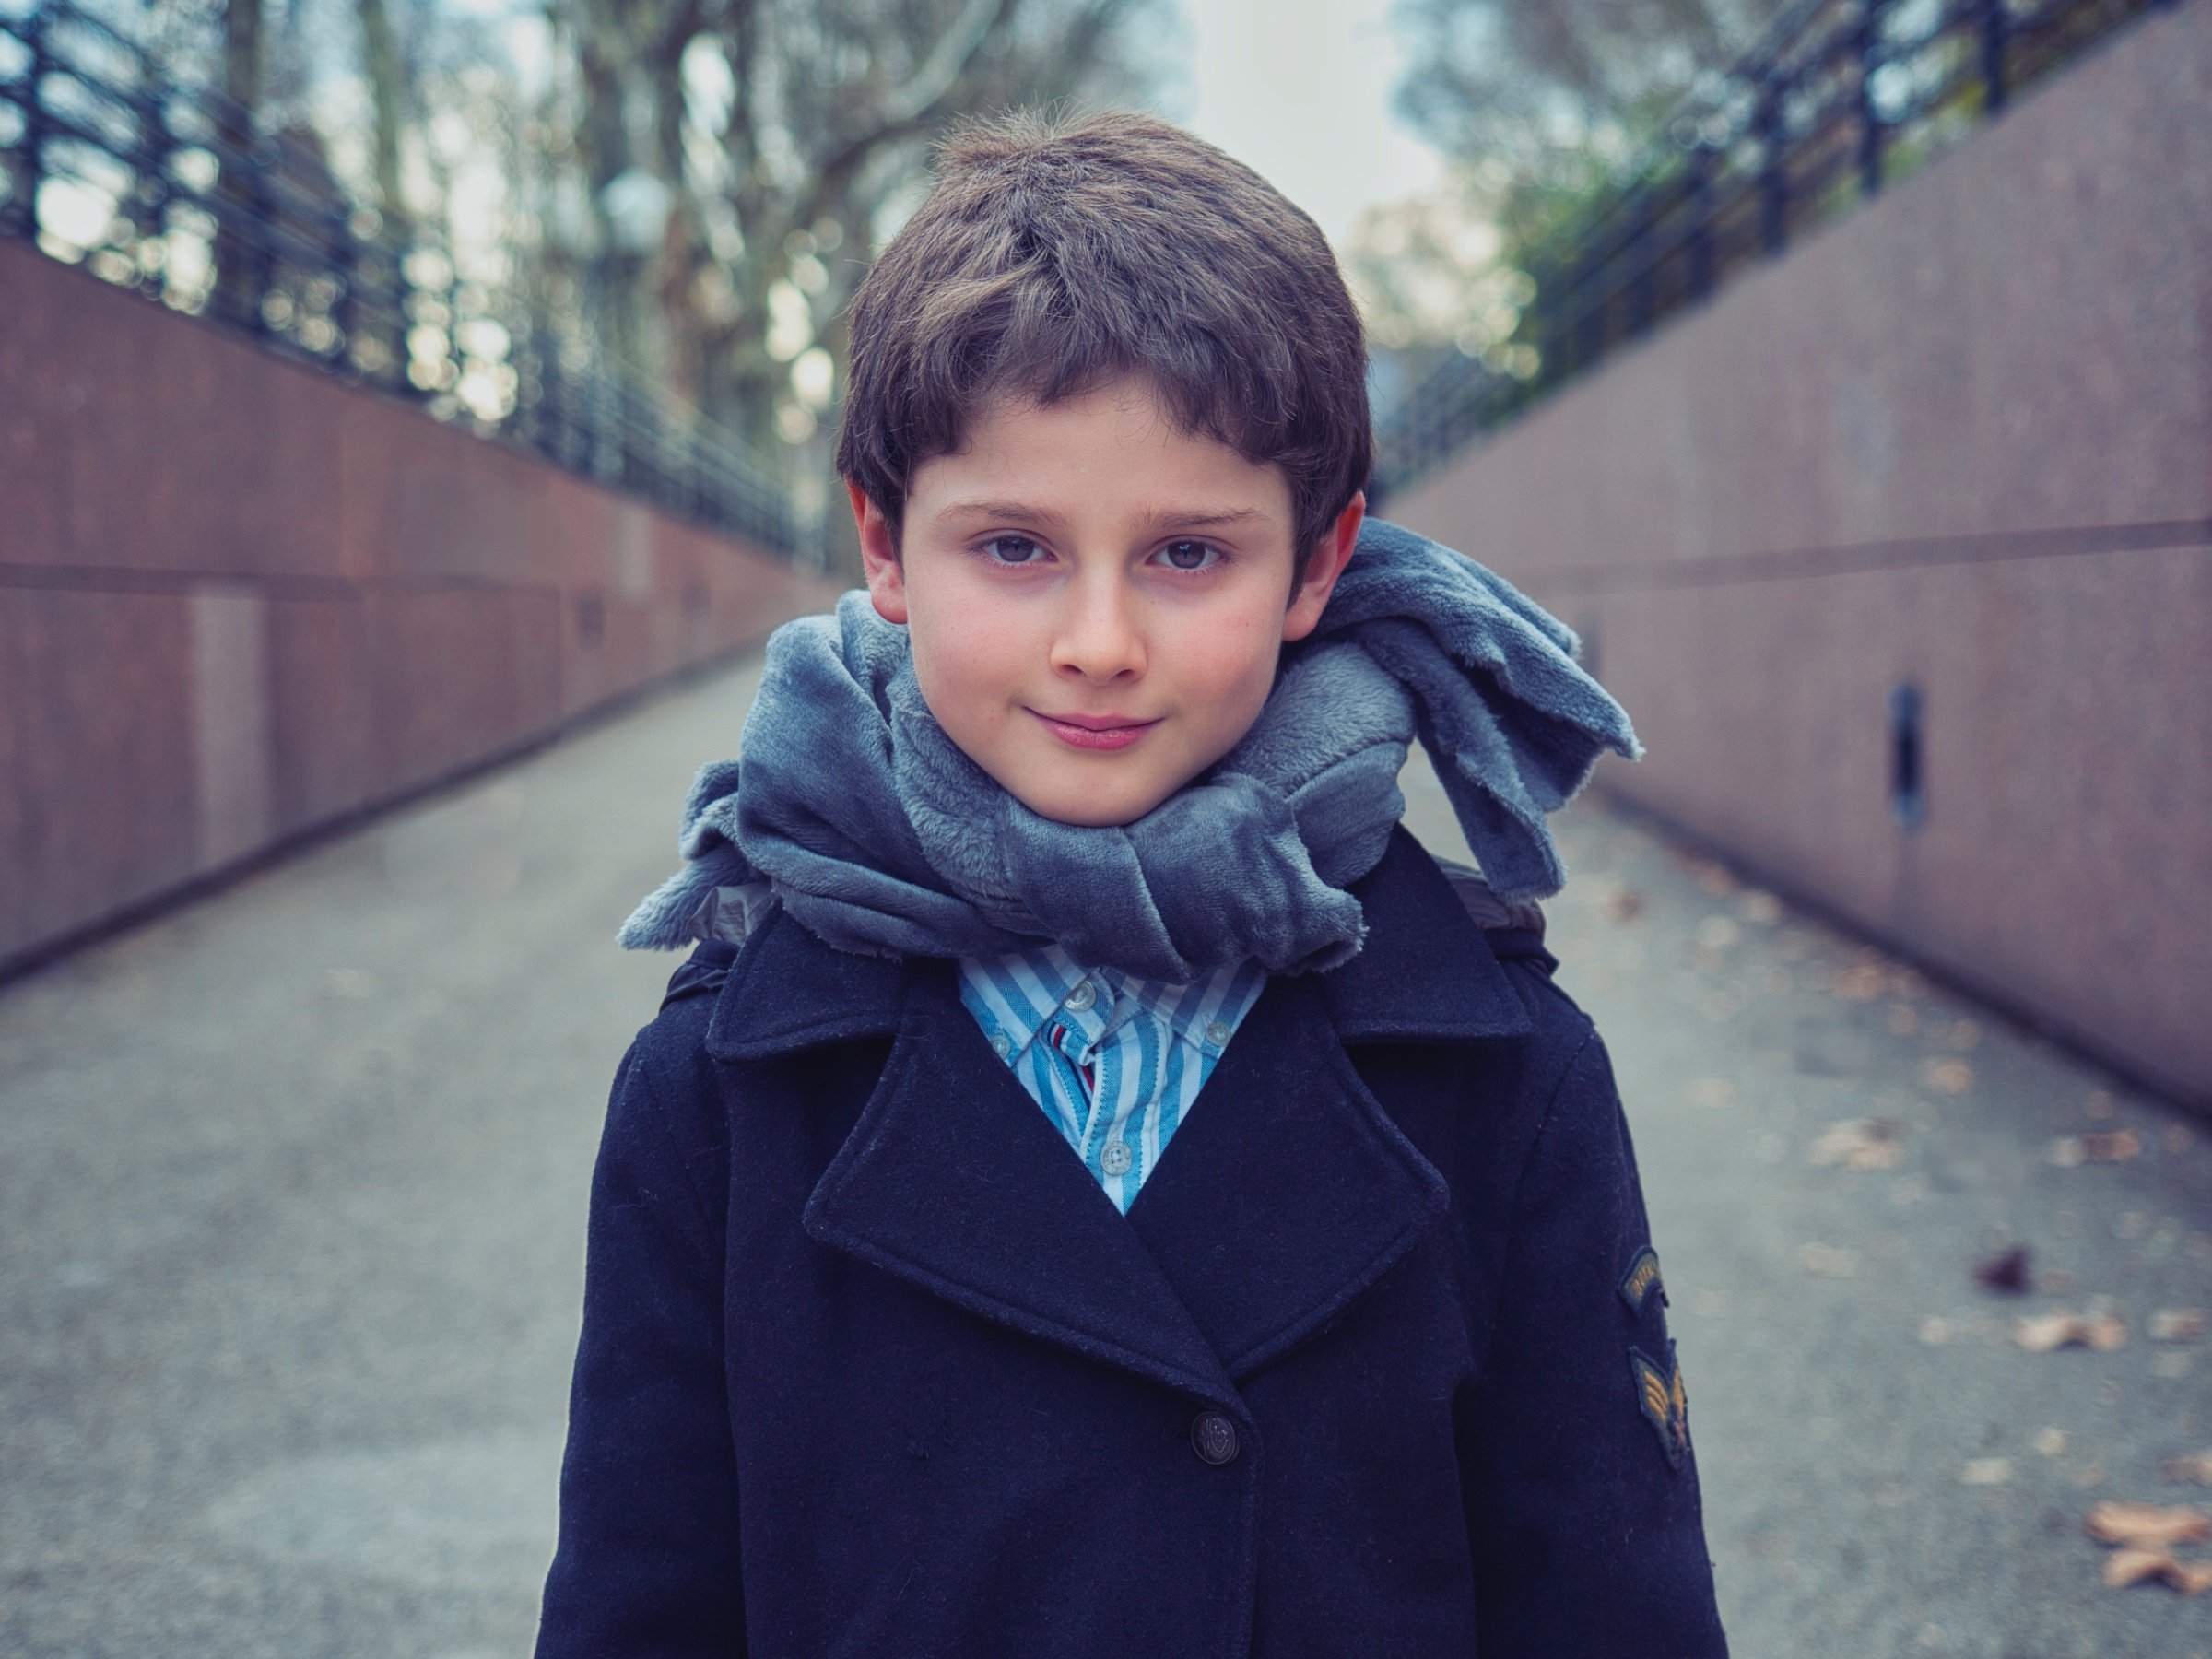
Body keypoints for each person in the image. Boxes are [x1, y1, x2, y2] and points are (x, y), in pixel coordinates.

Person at [535, 110, 1727, 1658]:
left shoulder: (1502, 1074)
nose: (1098, 641)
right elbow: (644, 1602)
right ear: (886, 546)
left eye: (1185, 555)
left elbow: (1611, 1606)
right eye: (1017, 547)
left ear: (1316, 564)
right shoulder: (725, 1086)